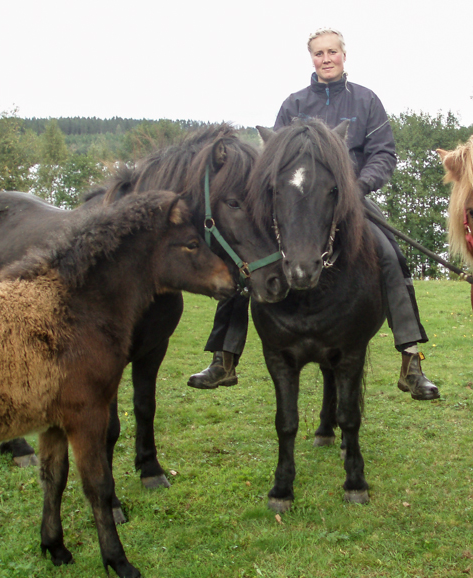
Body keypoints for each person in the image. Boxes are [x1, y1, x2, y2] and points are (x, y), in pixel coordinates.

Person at [188, 27, 440, 400]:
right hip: (294, 203)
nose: (326, 59)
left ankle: (410, 360)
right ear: (312, 59)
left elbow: (384, 154)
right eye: (319, 53)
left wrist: (357, 187)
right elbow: (272, 156)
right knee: (251, 256)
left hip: (349, 198)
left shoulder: (366, 101)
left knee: (391, 255)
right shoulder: (293, 104)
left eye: (332, 52)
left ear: (343, 55)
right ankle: (224, 358)